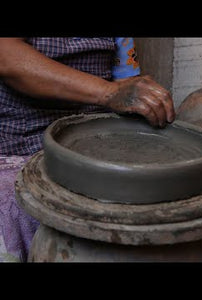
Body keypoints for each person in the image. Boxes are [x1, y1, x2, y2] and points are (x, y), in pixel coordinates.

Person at [0, 37, 175, 262]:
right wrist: (108, 92)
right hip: (21, 141)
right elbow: (7, 58)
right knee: (11, 206)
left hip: (90, 140)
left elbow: (127, 83)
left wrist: (142, 100)